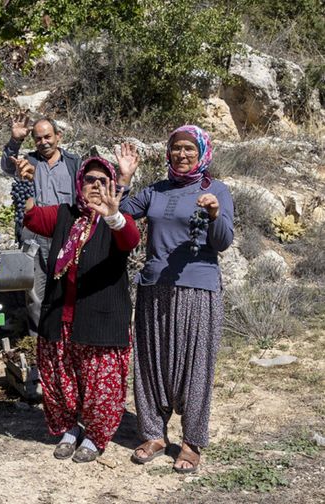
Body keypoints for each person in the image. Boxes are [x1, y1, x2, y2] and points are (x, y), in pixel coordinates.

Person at [120, 125, 234, 474]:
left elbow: (224, 240)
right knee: (151, 363)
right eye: (175, 149)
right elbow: (119, 214)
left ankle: (191, 442)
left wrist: (214, 214)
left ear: (202, 153)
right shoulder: (155, 190)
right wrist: (124, 178)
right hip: (154, 286)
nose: (181, 155)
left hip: (198, 288)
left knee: (194, 367)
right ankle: (154, 434)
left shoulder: (216, 190)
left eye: (189, 149)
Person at [22, 156, 140, 463]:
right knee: (62, 381)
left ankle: (95, 436)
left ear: (113, 185)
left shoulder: (117, 216)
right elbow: (33, 218)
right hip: (61, 318)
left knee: (100, 385)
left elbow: (130, 239)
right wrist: (27, 182)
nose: (96, 185)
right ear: (80, 184)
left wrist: (113, 215)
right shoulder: (66, 215)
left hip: (100, 320)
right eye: (90, 180)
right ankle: (69, 430)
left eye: (103, 180)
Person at [3, 114, 80, 337]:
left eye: (48, 136)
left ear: (59, 136)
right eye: (38, 138)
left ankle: (67, 342)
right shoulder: (28, 161)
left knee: (68, 291)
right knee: (35, 295)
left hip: (66, 236)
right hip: (35, 236)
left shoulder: (74, 163)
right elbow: (7, 166)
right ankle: (39, 344)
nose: (44, 142)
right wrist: (15, 141)